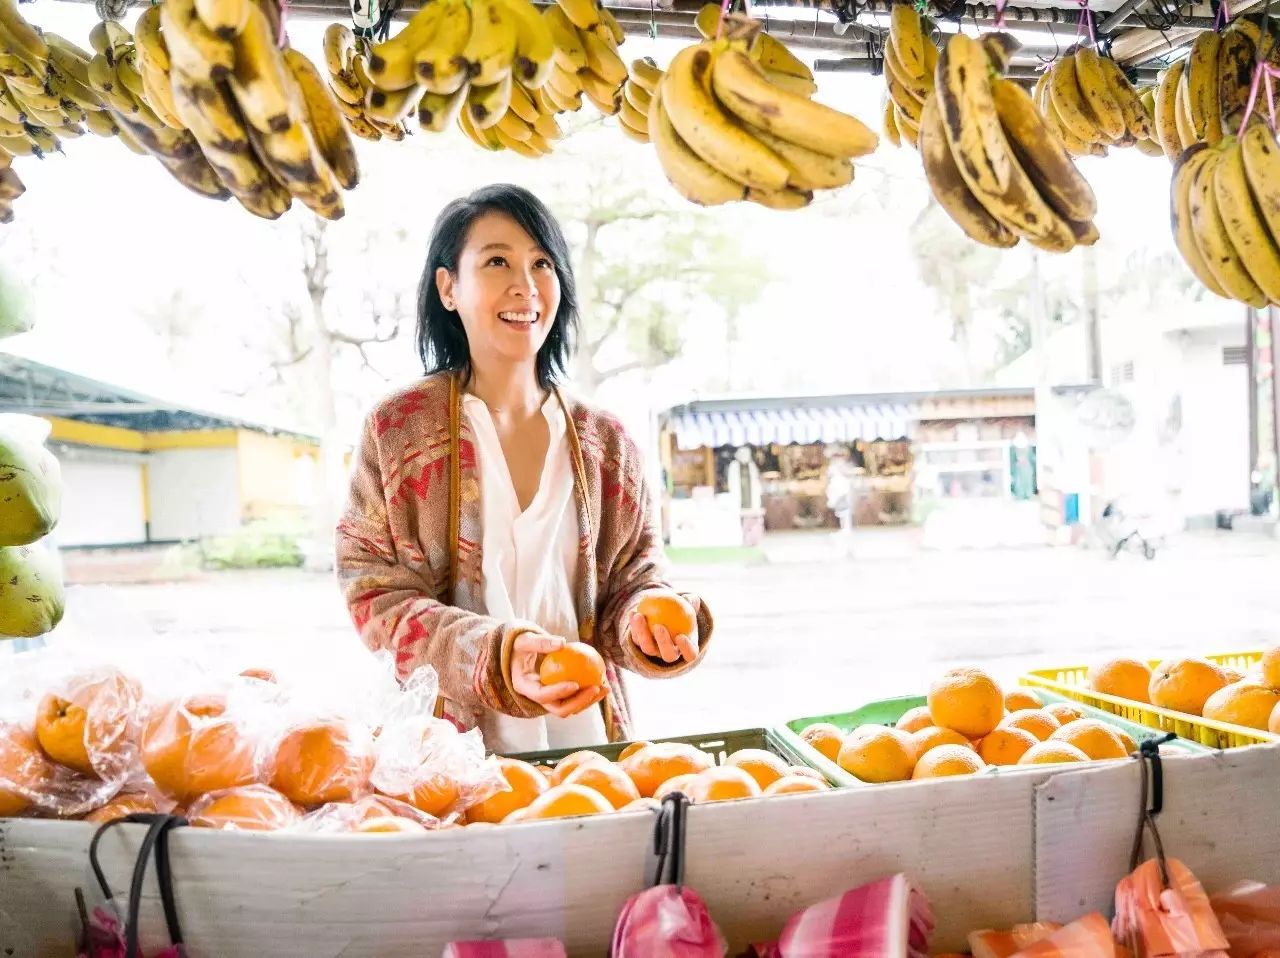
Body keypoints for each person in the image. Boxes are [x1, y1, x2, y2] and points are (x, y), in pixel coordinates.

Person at [336, 184, 713, 754]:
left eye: (542, 263)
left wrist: (648, 623)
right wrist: (498, 657)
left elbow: (637, 579)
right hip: (448, 762)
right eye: (496, 261)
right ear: (448, 288)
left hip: (591, 756)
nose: (526, 284)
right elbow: (373, 593)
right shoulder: (397, 431)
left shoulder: (608, 445)